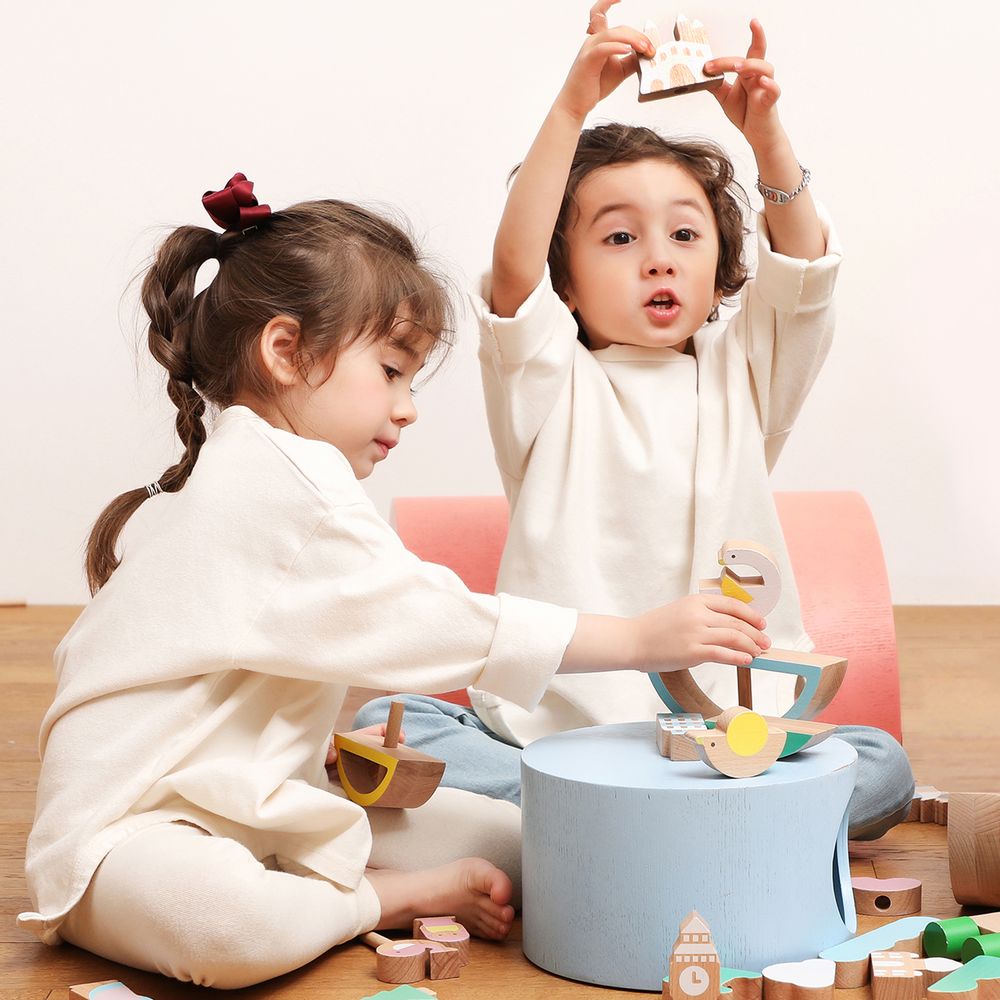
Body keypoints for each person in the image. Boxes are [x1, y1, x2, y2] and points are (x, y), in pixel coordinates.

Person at [16, 174, 772, 989]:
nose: (407, 408)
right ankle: (368, 902)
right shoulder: (275, 486)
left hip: (260, 803)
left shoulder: (287, 472)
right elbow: (427, 617)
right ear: (284, 352)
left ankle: (327, 881)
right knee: (232, 928)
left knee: (524, 843)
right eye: (391, 371)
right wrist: (632, 640)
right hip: (129, 833)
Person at [356, 2, 913, 840]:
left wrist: (767, 141)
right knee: (395, 718)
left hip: (736, 729)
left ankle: (629, 821)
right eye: (618, 238)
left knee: (883, 766)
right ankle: (702, 823)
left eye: (685, 234)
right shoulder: (549, 382)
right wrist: (572, 106)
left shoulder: (745, 378)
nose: (657, 255)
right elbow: (512, 268)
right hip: (559, 733)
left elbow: (802, 269)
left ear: (723, 269)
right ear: (567, 286)